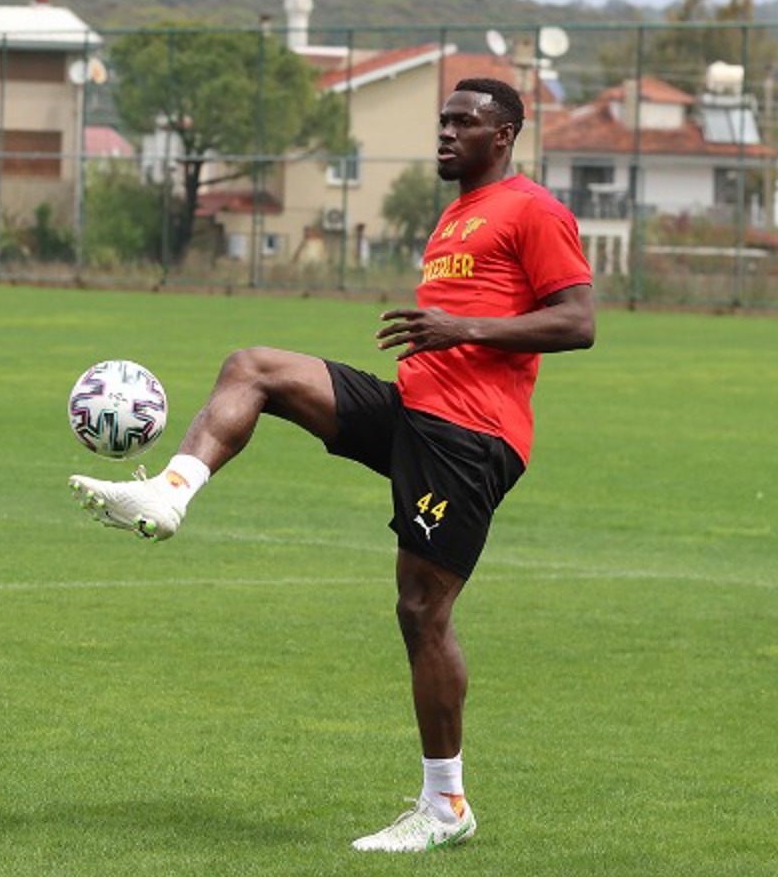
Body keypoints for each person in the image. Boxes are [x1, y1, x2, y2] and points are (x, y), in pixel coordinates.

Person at [68, 77, 595, 853]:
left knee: (422, 611)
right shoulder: (457, 213)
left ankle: (445, 806)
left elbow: (579, 321)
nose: (446, 133)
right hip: (414, 410)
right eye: (443, 120)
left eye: (464, 122)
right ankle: (170, 495)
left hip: (469, 438)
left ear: (505, 135)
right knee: (253, 367)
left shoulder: (534, 210)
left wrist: (462, 327)